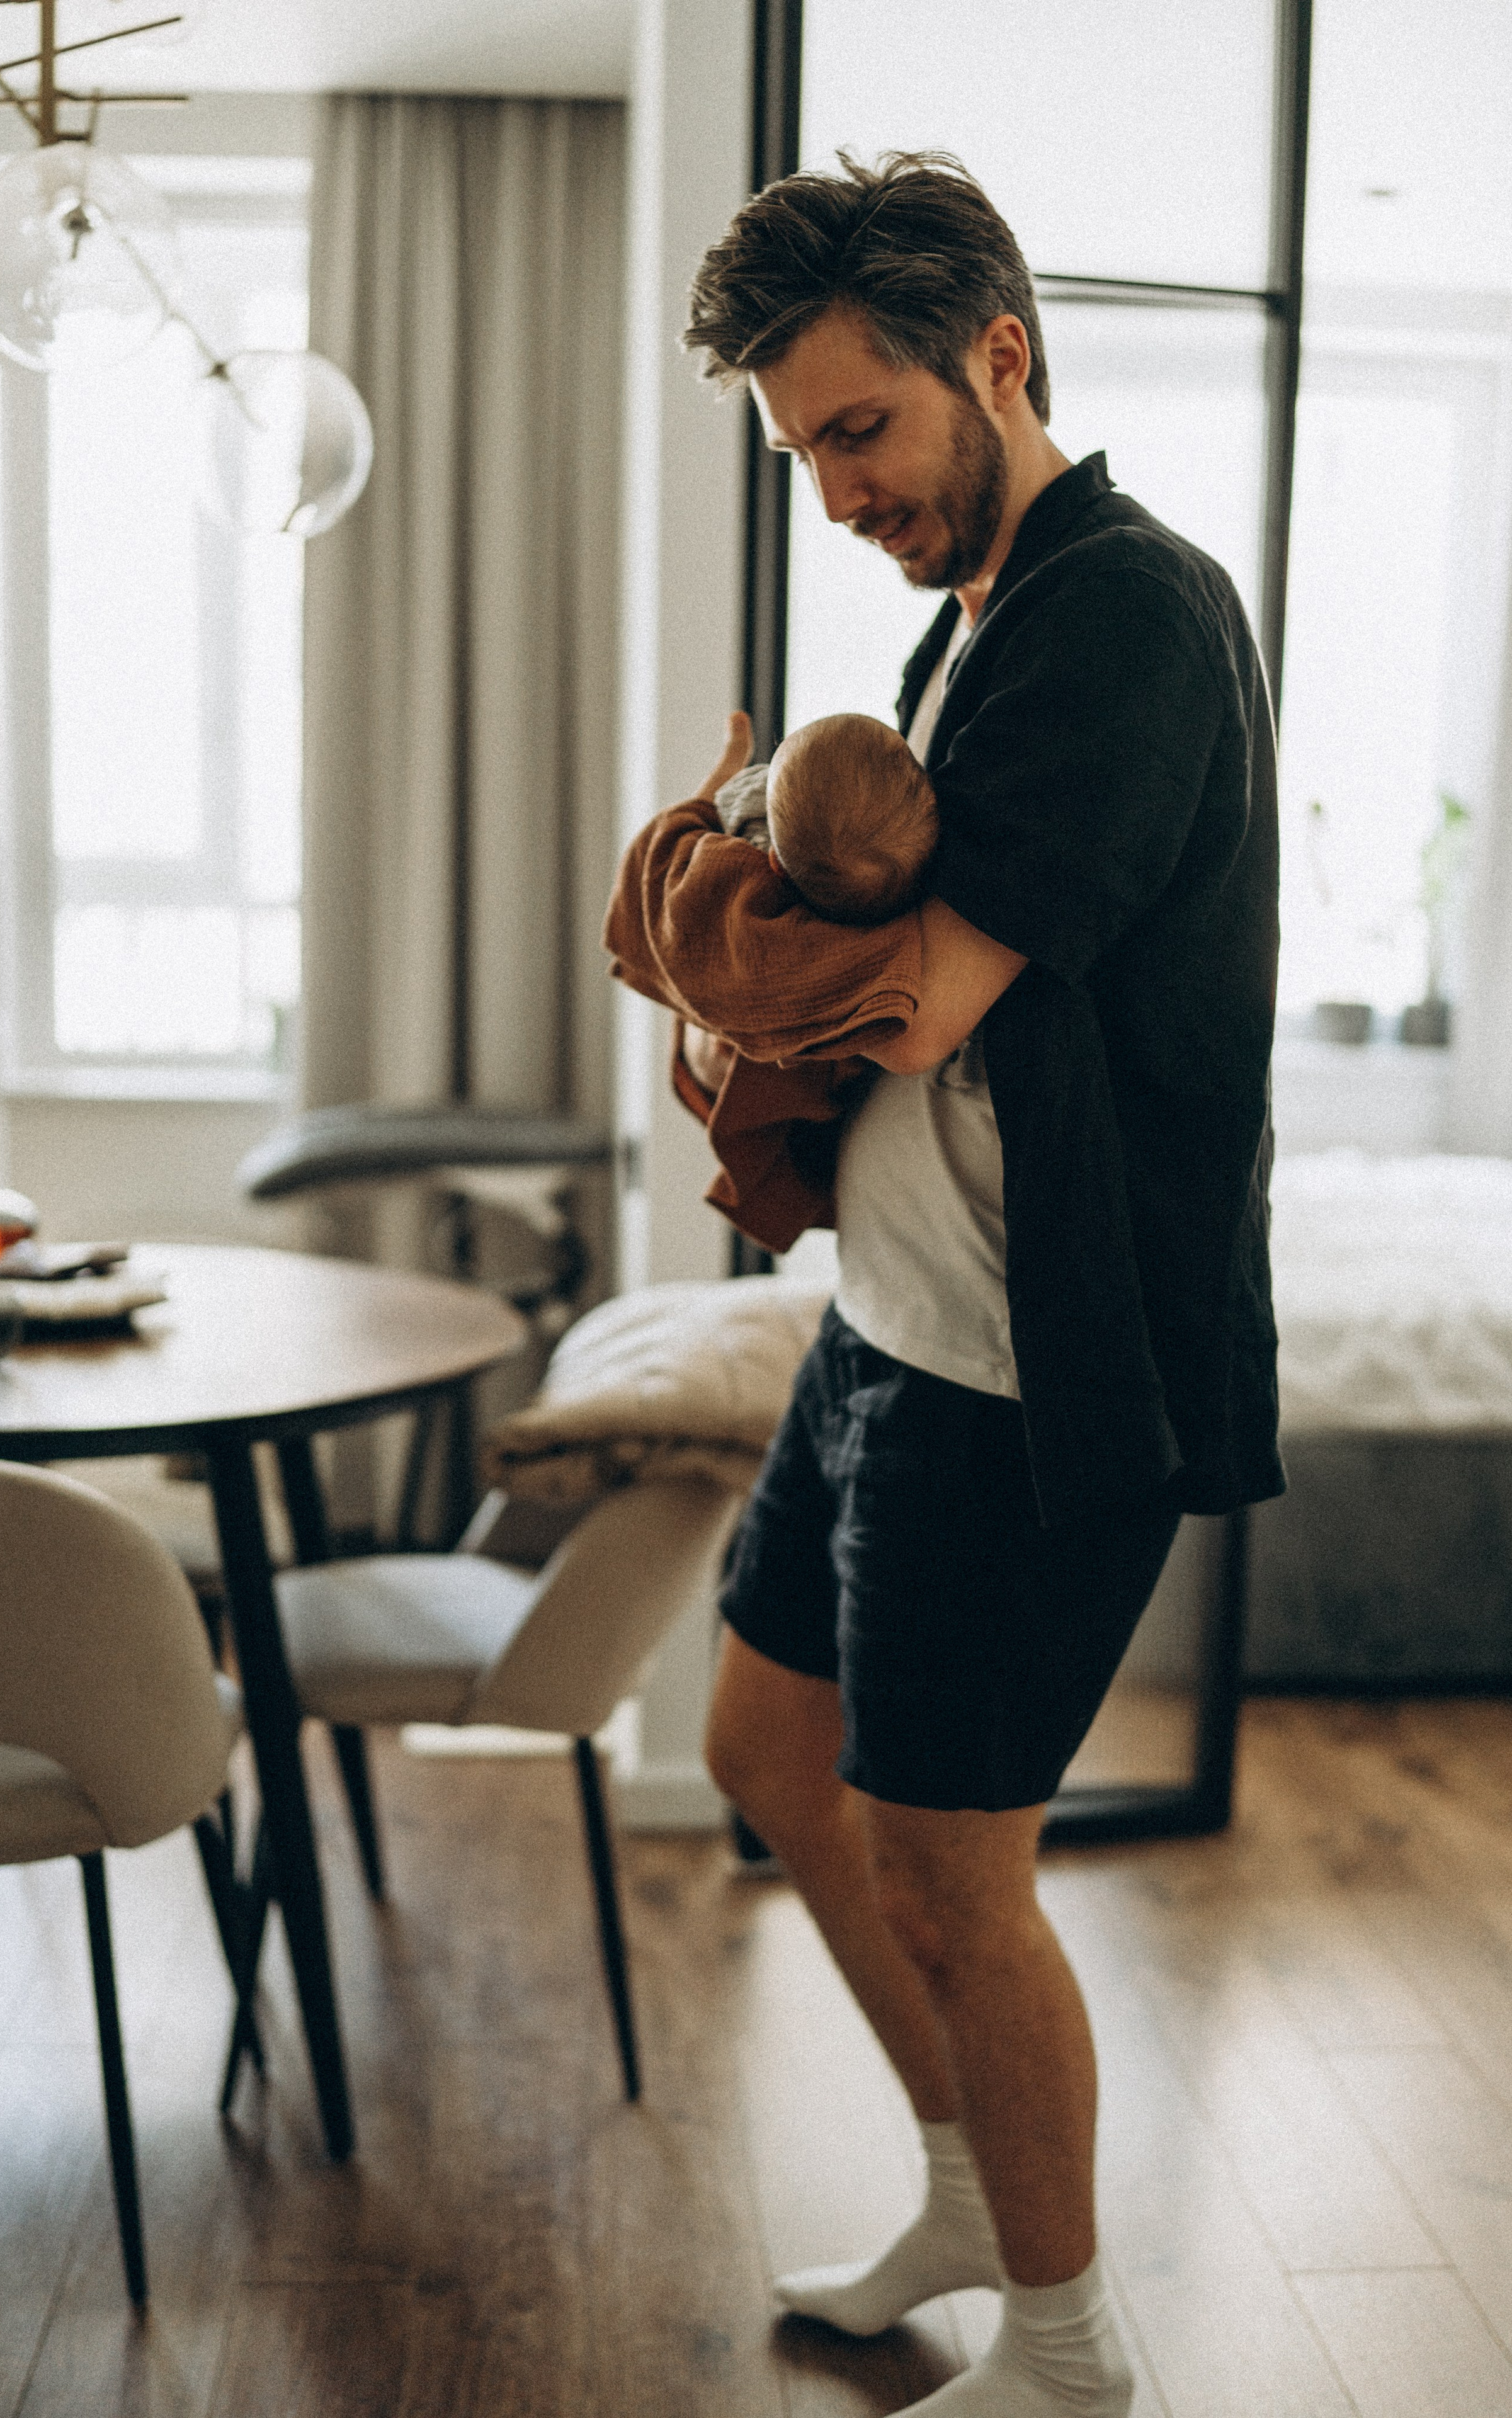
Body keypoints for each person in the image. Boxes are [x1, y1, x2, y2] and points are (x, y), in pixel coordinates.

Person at [609, 150, 1284, 2418]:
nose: (834, 492)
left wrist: (708, 905)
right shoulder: (973, 613)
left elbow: (900, 1009)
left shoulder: (1118, 614)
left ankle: (1072, 2353)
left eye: (854, 433)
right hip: (890, 1325)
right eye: (802, 448)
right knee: (763, 1748)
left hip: (1023, 1370)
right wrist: (742, 916)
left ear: (993, 355)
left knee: (953, 1878)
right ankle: (964, 2183)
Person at [719, 711, 939, 925]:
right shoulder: (912, 930)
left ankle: (731, 769)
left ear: (776, 863)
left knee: (740, 797)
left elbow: (687, 841)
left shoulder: (749, 888)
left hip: (731, 814)